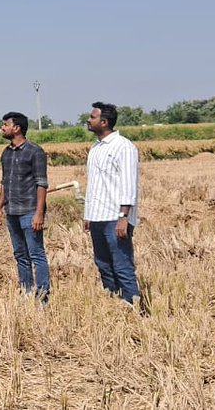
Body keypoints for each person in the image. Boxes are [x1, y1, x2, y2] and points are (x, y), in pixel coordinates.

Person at [83, 101, 142, 305]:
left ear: (104, 122)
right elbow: (94, 185)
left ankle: (133, 306)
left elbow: (128, 185)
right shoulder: (95, 148)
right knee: (103, 264)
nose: (88, 120)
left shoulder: (123, 147)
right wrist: (88, 214)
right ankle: (113, 303)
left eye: (92, 117)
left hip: (115, 218)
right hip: (98, 217)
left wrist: (123, 217)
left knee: (122, 264)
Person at [0, 111, 51, 301]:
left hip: (29, 211)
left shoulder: (35, 151)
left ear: (16, 128)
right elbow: (4, 182)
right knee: (20, 254)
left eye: (5, 125)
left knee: (36, 253)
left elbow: (41, 183)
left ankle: (42, 294)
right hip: (12, 212)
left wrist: (39, 213)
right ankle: (25, 291)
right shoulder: (6, 153)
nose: (2, 128)